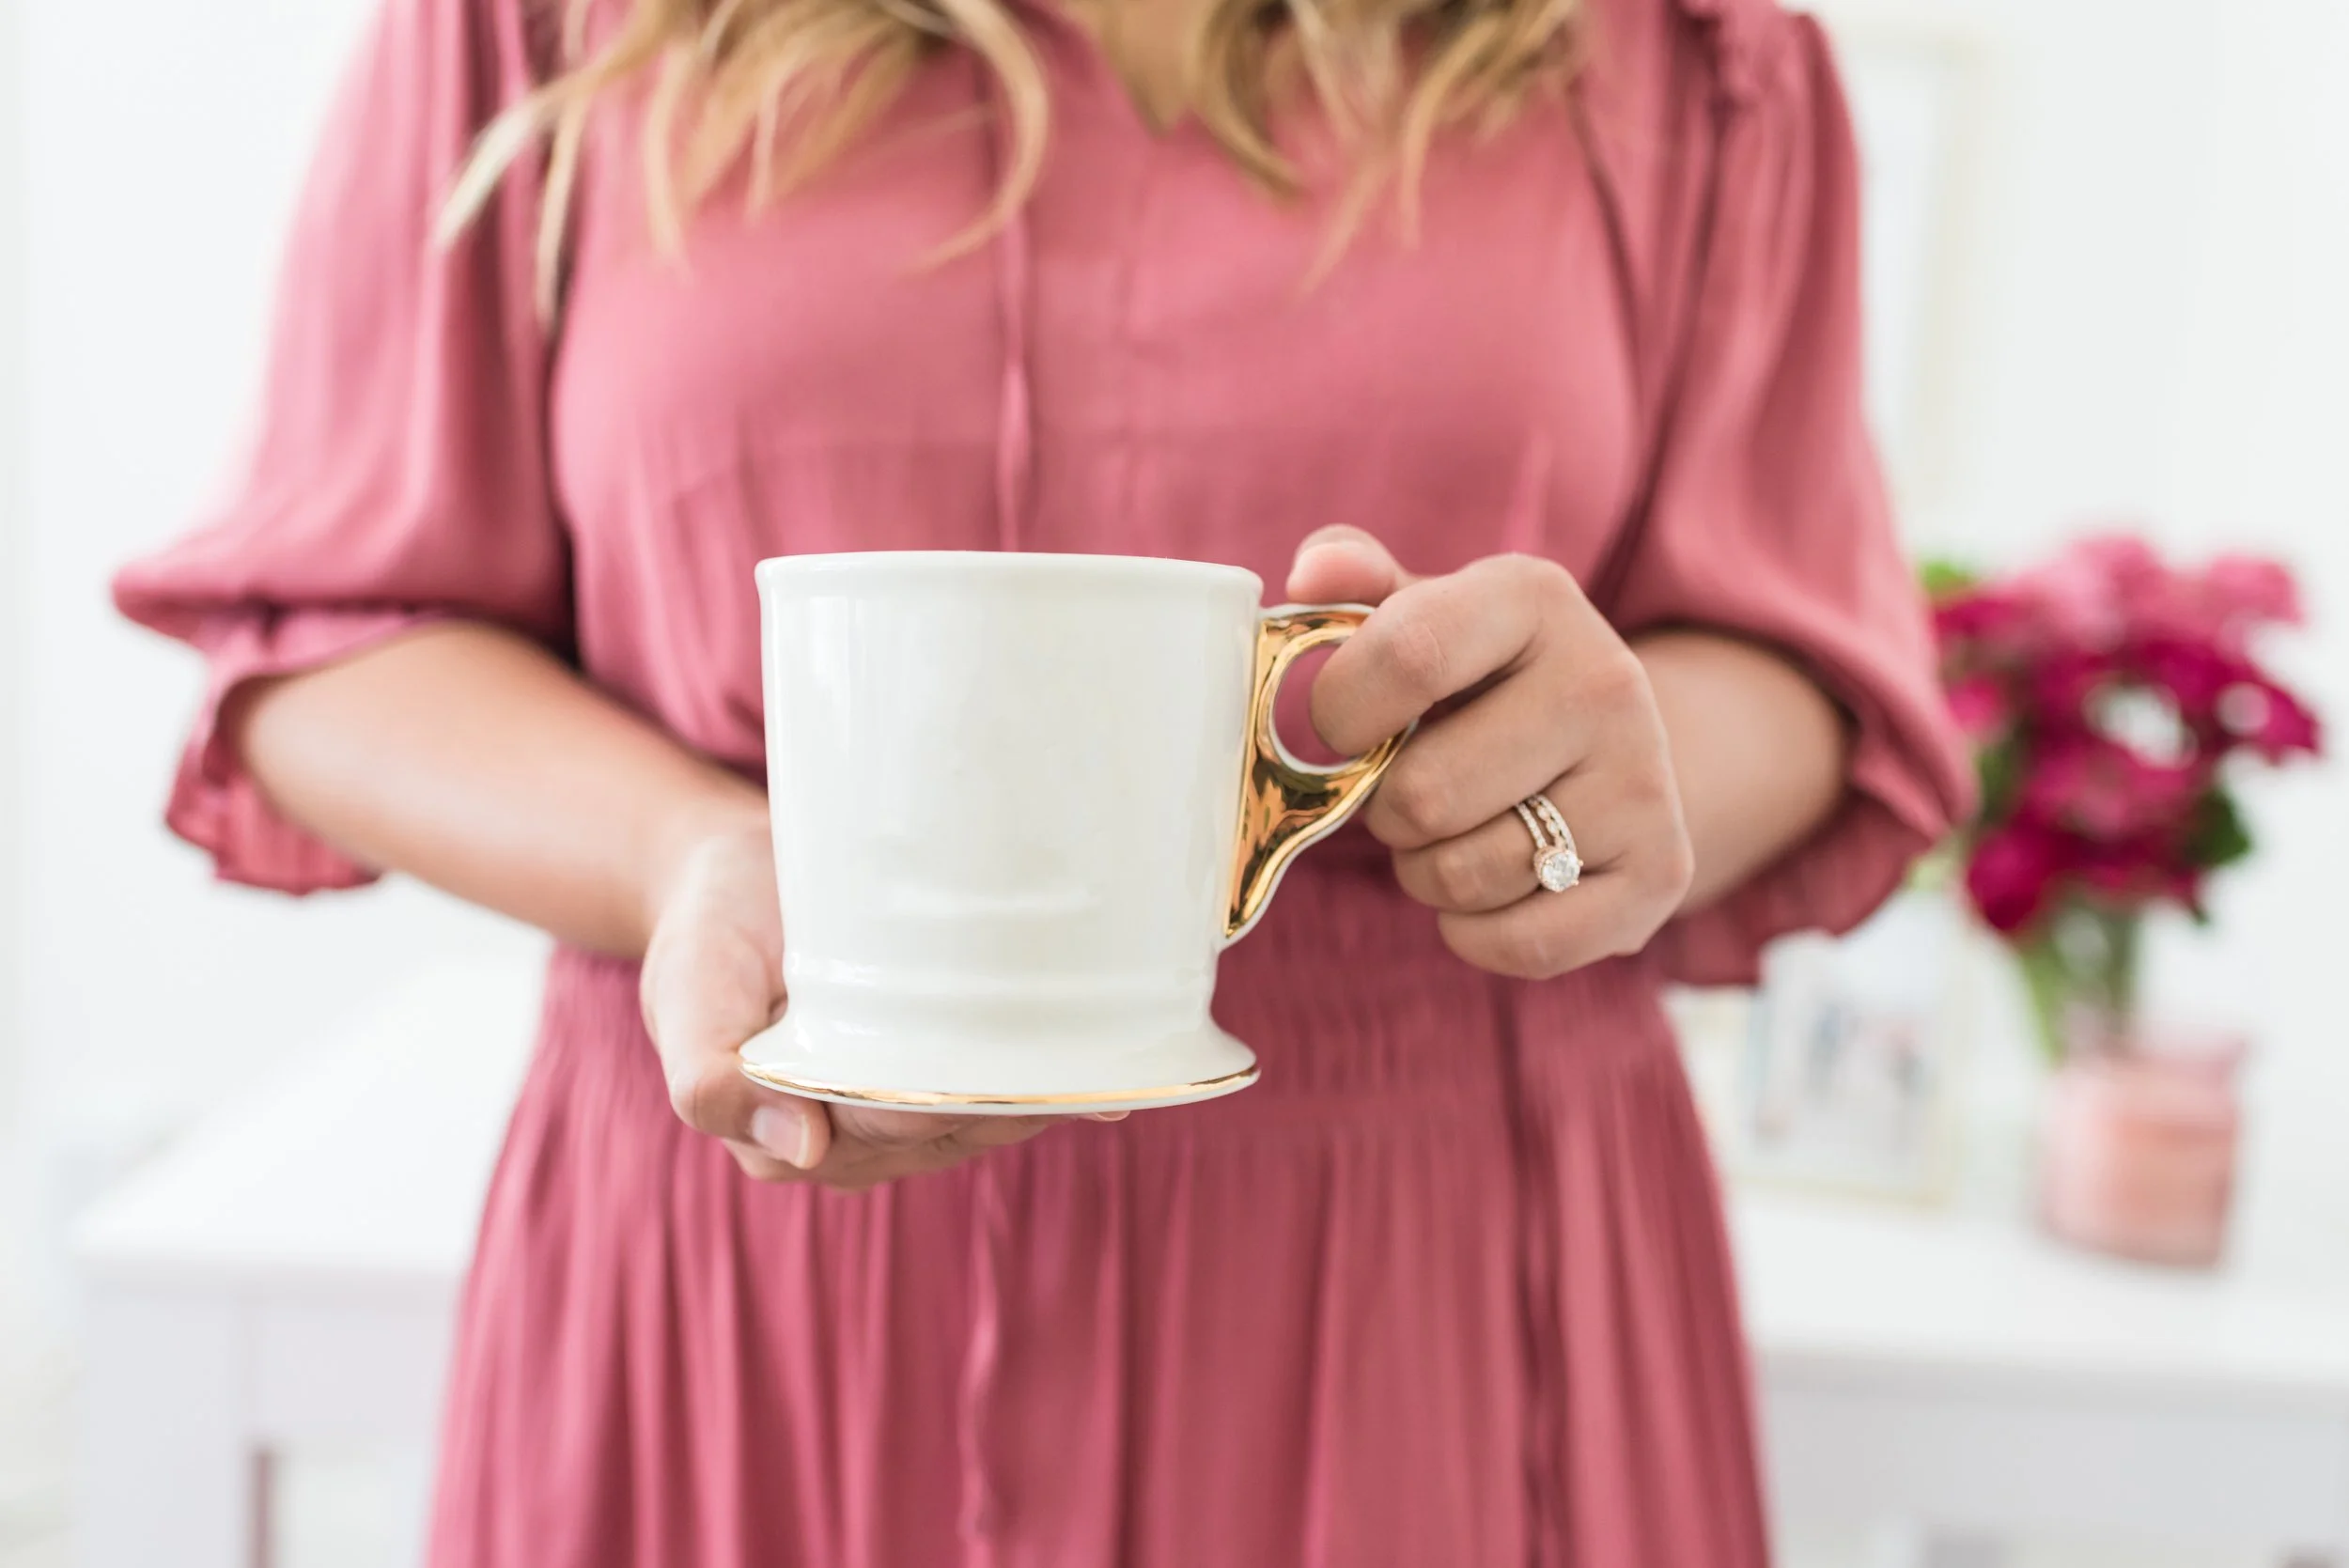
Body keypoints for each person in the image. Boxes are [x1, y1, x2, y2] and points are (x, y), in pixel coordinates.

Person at [114, 0, 1970, 1558]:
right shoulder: (528, 20)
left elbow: (1794, 655)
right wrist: (689, 855)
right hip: (738, 1274)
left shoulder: (1682, 55)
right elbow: (324, 644)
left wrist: (1588, 781)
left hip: (1434, 1277)